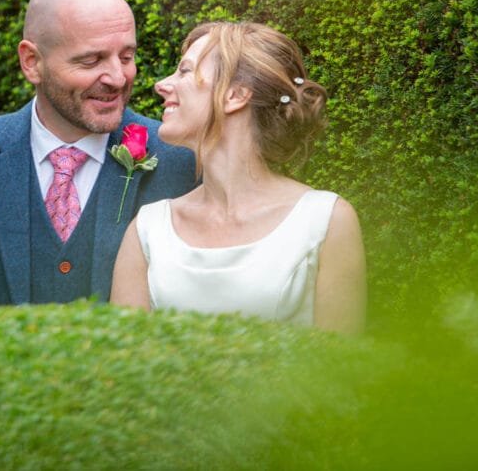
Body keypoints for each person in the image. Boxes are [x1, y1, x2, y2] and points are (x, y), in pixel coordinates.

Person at [0, 0, 196, 315]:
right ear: (32, 62)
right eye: (91, 60)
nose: (118, 78)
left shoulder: (181, 161)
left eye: (126, 56)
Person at [111, 21, 366, 334]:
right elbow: (124, 365)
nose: (161, 85)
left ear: (235, 95)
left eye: (186, 71)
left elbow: (342, 368)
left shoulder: (325, 221)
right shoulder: (148, 228)